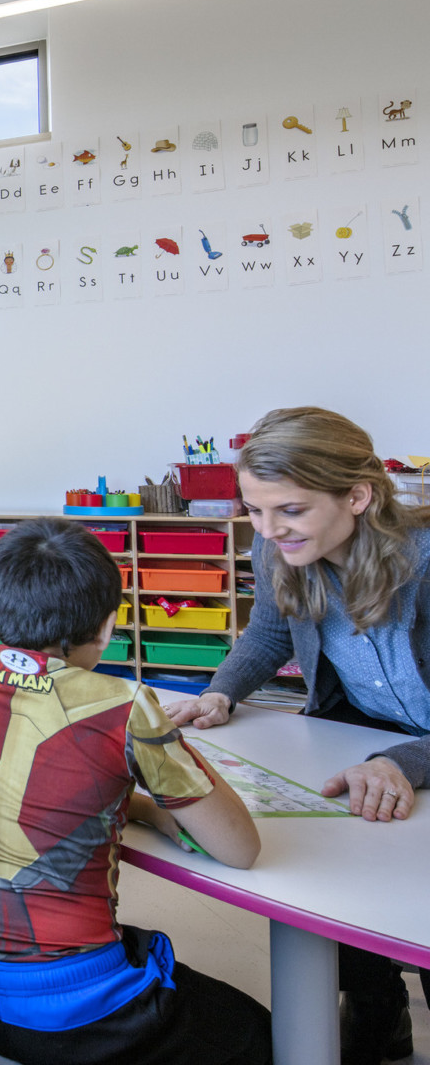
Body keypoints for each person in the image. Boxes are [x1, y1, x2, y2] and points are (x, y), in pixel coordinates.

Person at [0, 517, 269, 1065]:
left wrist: (140, 808)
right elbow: (241, 849)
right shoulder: (124, 703)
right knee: (261, 1034)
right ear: (110, 625)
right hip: (75, 1018)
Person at [165, 406, 430, 1065]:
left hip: (409, 746)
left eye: (288, 510)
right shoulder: (280, 543)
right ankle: (376, 1012)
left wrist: (402, 760)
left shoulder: (422, 561)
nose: (268, 529)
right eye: (253, 511)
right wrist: (221, 691)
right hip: (362, 732)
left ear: (358, 496)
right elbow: (270, 631)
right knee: (345, 880)